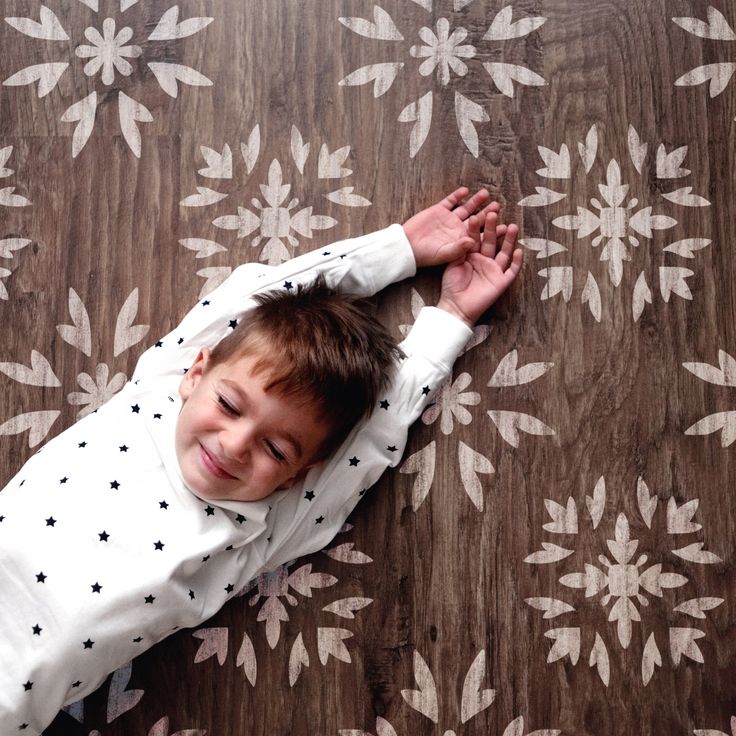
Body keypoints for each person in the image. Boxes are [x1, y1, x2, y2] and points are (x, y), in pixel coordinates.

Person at [0, 188, 523, 734]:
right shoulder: (154, 391)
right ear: (196, 372)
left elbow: (372, 440)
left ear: (299, 474)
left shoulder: (260, 527)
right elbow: (251, 298)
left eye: (275, 449)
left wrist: (451, 319)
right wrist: (400, 250)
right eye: (228, 405)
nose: (233, 445)